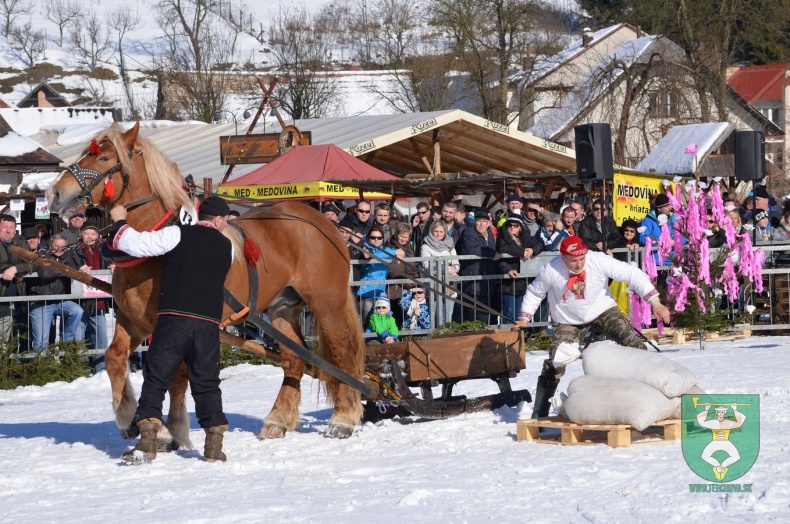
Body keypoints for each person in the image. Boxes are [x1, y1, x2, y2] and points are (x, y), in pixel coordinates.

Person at [112, 196, 234, 463]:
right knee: (207, 383)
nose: (226, 224)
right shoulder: (228, 247)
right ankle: (214, 446)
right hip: (207, 325)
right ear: (216, 219)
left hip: (174, 319)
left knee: (156, 379)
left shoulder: (178, 233)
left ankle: (147, 442)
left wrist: (120, 220)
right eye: (225, 220)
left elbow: (134, 243)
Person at [514, 236, 671, 418]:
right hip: (567, 320)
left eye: (581, 259)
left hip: (602, 310)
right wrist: (524, 317)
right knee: (555, 363)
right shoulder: (551, 269)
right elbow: (535, 292)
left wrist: (655, 301)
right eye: (573, 261)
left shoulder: (597, 260)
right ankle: (539, 415)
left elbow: (632, 274)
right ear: (563, 258)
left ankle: (654, 396)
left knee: (634, 346)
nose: (578, 264)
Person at [27, 234, 84, 350]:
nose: (59, 249)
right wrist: (62, 269)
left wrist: (55, 268)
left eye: (62, 246)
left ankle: (66, 343)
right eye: (56, 246)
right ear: (50, 245)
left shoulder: (68, 257)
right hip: (41, 301)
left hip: (60, 301)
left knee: (77, 311)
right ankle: (42, 365)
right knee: (41, 342)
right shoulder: (42, 255)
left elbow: (71, 270)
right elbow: (44, 273)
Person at [455, 209, 509, 324]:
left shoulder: (489, 235)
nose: (482, 224)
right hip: (472, 281)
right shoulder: (468, 233)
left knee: (484, 316)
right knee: (472, 316)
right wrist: (491, 254)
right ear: (474, 222)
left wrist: (507, 268)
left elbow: (496, 253)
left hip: (486, 282)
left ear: (489, 223)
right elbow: (472, 249)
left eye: (485, 221)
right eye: (479, 221)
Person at [70, 223, 113, 353]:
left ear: (97, 236)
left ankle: (100, 367)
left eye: (93, 234)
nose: (90, 236)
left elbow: (110, 260)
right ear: (81, 235)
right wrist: (78, 268)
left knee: (101, 337)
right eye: (86, 233)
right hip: (80, 301)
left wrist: (112, 264)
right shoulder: (73, 251)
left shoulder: (103, 250)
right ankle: (81, 367)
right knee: (79, 337)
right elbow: (66, 264)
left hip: (98, 300)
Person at [497, 213, 543, 322]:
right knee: (509, 313)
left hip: (522, 282)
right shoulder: (502, 236)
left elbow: (540, 245)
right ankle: (506, 336)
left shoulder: (525, 238)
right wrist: (522, 252)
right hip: (508, 282)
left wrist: (532, 250)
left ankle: (519, 336)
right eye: (510, 225)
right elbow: (502, 249)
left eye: (515, 225)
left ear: (520, 227)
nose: (512, 227)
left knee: (520, 314)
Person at [357, 225, 398, 326]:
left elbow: (398, 253)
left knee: (379, 322)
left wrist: (394, 252)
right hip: (366, 292)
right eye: (373, 237)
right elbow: (393, 253)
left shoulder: (385, 249)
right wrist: (394, 253)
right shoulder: (365, 248)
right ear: (368, 238)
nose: (376, 240)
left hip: (380, 293)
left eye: (379, 238)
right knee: (366, 321)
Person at [0, 215, 32, 342]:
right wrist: (6, 270)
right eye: (4, 227)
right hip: (2, 296)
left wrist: (16, 269)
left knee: (13, 335)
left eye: (12, 227)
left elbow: (34, 262)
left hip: (18, 296)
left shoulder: (21, 242)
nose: (8, 230)